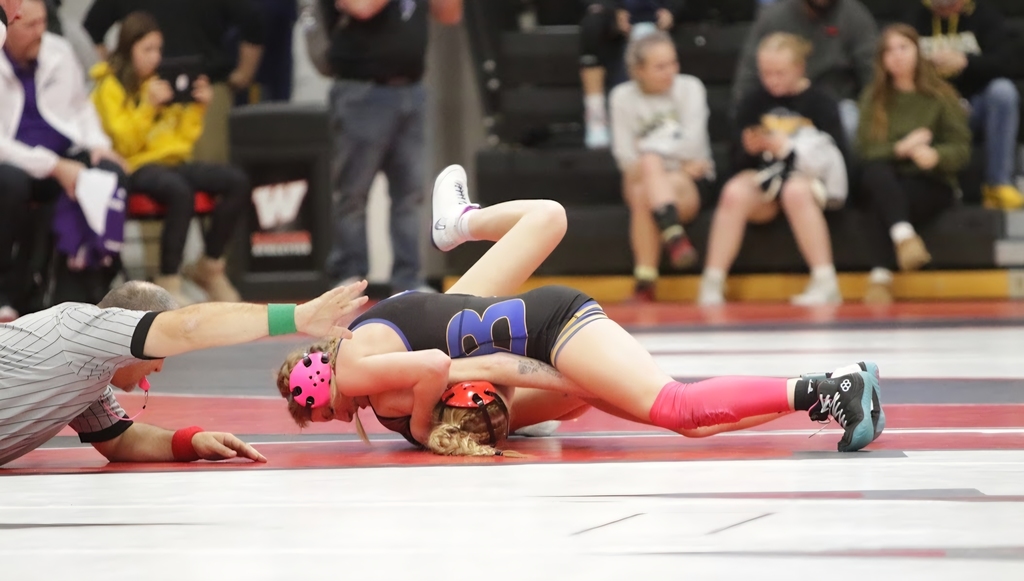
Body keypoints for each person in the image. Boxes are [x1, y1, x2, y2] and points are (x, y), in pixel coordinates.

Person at [276, 164, 886, 456]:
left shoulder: (357, 371)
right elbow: (462, 361)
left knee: (677, 410)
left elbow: (444, 367)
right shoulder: (366, 339)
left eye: (328, 412)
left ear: (321, 385)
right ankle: (459, 223)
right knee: (548, 221)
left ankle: (831, 388)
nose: (340, 416)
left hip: (546, 326)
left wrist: (418, 426)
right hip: (493, 323)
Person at [0, 277, 367, 467]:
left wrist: (190, 443)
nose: (160, 366)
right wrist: (296, 317)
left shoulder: (90, 377)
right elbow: (188, 327)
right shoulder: (82, 326)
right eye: (160, 354)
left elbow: (119, 441)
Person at [90, 11, 249, 306]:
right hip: (133, 166)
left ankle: (209, 266)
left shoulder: (166, 80)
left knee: (235, 181)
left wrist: (198, 109)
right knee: (179, 190)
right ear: (128, 49)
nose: (155, 57)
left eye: (158, 49)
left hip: (173, 162)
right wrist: (148, 107)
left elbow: (182, 141)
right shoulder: (108, 86)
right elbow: (123, 142)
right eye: (147, 49)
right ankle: (168, 279)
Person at [320, 0, 462, 294]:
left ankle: (408, 279)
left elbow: (450, 14)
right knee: (353, 193)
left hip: (412, 89)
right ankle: (349, 278)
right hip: (362, 90)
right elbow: (361, 7)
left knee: (410, 195)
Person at [699, 33, 849, 306]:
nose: (773, 80)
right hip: (767, 183)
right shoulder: (754, 101)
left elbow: (838, 157)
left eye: (781, 73)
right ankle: (712, 281)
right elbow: (736, 162)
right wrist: (749, 150)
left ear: (800, 68)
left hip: (808, 183)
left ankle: (826, 281)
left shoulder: (821, 102)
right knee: (734, 192)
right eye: (766, 73)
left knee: (795, 190)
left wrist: (790, 151)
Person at [0, 0, 126, 320]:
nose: (40, 32)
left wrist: (98, 145)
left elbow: (80, 108)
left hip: (62, 155)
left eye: (43, 22)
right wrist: (54, 167)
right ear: (7, 27)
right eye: (30, 25)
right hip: (16, 163)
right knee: (10, 184)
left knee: (109, 172)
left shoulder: (57, 50)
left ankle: (88, 290)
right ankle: (7, 293)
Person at [857, 24, 971, 304]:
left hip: (929, 180)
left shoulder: (941, 96)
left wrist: (936, 155)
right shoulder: (874, 98)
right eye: (888, 51)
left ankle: (881, 276)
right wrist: (901, 148)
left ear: (917, 51)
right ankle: (904, 238)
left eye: (903, 48)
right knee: (876, 176)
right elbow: (864, 151)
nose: (896, 56)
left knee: (882, 201)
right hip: (887, 176)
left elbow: (962, 148)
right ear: (881, 60)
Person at [83, 0, 265, 165]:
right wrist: (121, 72)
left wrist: (243, 74)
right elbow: (91, 29)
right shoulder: (114, 87)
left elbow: (254, 20)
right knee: (163, 168)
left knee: (210, 172)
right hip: (147, 89)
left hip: (202, 88)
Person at [610, 31, 712, 301]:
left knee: (645, 186)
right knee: (647, 173)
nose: (671, 72)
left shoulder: (690, 87)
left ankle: (645, 282)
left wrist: (648, 149)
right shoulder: (622, 97)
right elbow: (625, 158)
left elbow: (694, 145)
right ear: (638, 70)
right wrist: (672, 160)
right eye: (660, 67)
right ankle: (673, 234)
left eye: (673, 63)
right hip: (656, 175)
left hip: (688, 184)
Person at [902, 0, 1024, 210]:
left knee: (1003, 92)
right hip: (931, 110)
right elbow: (892, 62)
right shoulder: (914, 17)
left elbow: (1009, 63)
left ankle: (998, 184)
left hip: (974, 106)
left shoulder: (984, 15)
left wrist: (967, 62)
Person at [733, 0, 878, 141]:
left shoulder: (854, 15)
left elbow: (872, 71)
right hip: (780, 104)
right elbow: (749, 74)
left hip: (837, 102)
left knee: (850, 118)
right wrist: (744, 114)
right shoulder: (775, 17)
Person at [580, 0, 685, 149]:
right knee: (592, 26)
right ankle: (595, 115)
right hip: (613, 12)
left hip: (657, 12)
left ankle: (658, 118)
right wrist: (613, 9)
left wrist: (671, 10)